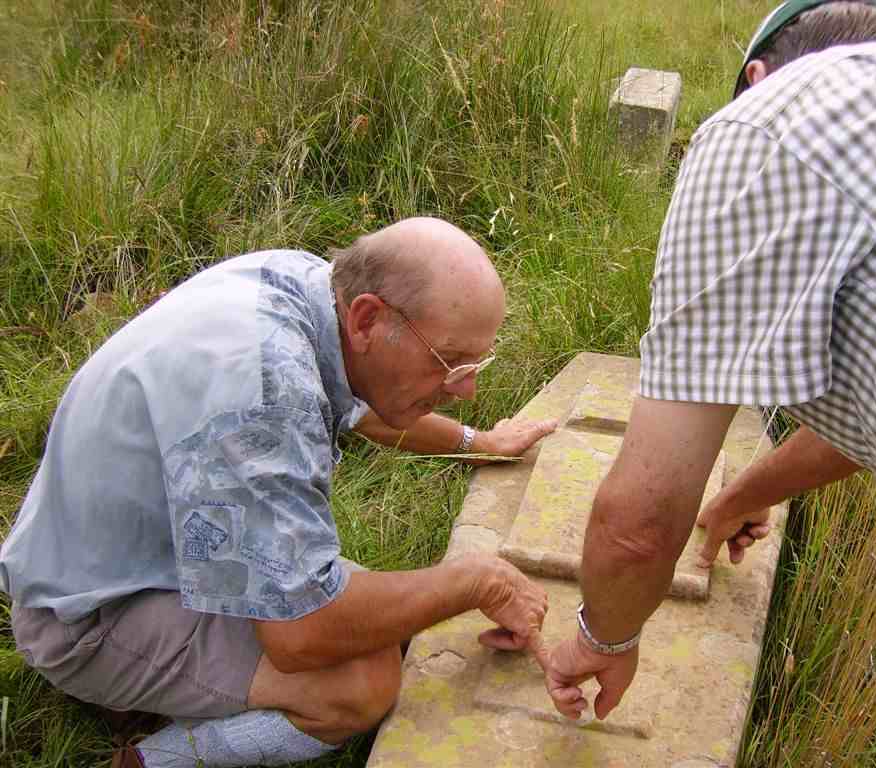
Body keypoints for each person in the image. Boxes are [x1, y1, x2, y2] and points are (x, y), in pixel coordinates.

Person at [539, 3, 876, 767]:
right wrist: (742, 494)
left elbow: (640, 520)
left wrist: (607, 639)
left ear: (755, 79)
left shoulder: (762, 124)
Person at [0, 217, 556, 768]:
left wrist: (478, 442)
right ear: (368, 318)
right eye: (450, 363)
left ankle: (173, 691)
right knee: (363, 681)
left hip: (136, 558)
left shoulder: (306, 288)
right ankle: (155, 759)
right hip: (88, 618)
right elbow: (302, 635)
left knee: (382, 624)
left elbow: (368, 408)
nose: (468, 388)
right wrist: (480, 580)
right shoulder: (265, 400)